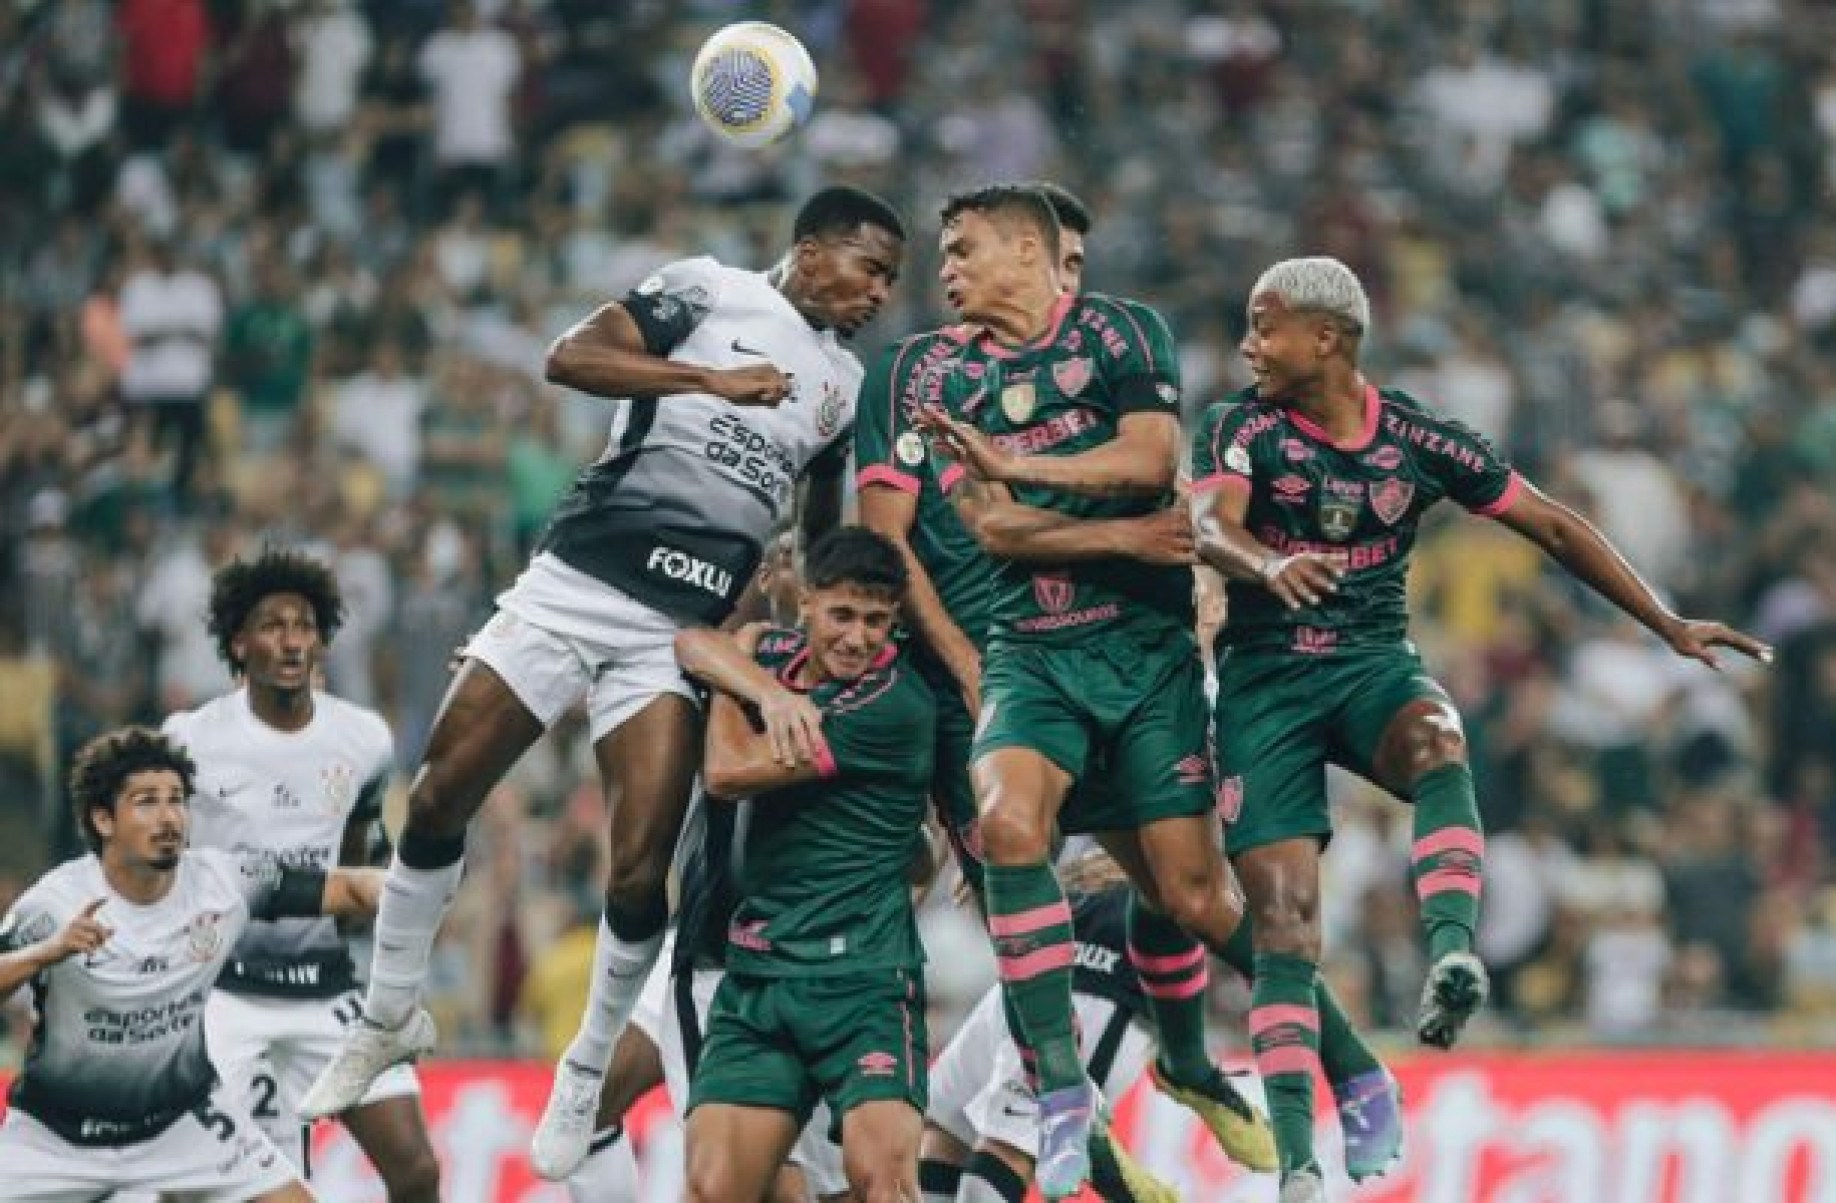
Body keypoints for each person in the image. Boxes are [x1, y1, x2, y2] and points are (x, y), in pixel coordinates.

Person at [299, 187, 907, 1184]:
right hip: (577, 583)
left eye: (891, 277)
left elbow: (817, 533)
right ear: (810, 250)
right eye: (871, 267)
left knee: (638, 871)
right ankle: (387, 1013)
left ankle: (586, 1070)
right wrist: (709, 380)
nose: (883, 292)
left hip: (677, 633)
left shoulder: (841, 386)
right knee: (442, 792)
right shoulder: (704, 290)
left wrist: (792, 602)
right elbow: (570, 357)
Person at [1187, 255, 1775, 1199]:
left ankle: (1454, 947)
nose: (1248, 345)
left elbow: (1549, 523)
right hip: (1264, 688)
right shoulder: (1240, 427)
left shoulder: (1419, 439)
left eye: (1265, 326)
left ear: (1327, 338)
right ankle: (1298, 1163)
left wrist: (1663, 621)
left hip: (1370, 665)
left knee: (1439, 742)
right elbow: (1209, 526)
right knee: (1286, 923)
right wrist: (1262, 567)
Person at [861, 183, 1357, 1189]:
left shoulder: (1116, 362)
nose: (1075, 290)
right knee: (1034, 889)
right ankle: (1082, 1126)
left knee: (1161, 892)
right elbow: (889, 544)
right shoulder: (923, 373)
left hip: (1113, 672)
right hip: (992, 674)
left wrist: (1203, 588)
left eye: (1083, 272)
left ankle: (1169, 1077)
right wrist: (962, 667)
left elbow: (1181, 518)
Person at [0, 726, 384, 1202]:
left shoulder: (225, 883)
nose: (169, 817)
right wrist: (47, 952)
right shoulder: (55, 903)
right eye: (146, 801)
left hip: (180, 1126)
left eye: (177, 799)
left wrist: (395, 888)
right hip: (56, 1138)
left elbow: (348, 887)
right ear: (103, 819)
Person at [163, 549, 440, 1199]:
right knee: (194, 1181)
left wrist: (385, 890)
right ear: (239, 641)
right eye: (272, 625)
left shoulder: (363, 737)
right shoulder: (189, 740)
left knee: (418, 1168)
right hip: (225, 995)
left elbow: (363, 850)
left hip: (328, 991)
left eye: (305, 624)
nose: (292, 640)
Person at [673, 527, 936, 1203]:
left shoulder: (892, 705)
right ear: (807, 602)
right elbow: (692, 642)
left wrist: (743, 687)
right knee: (711, 1189)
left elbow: (728, 771)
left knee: (882, 1183)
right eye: (842, 615)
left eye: (876, 620)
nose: (857, 637)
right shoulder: (781, 661)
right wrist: (764, 680)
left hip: (863, 983)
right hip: (760, 975)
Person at [919, 851, 1177, 1203]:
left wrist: (1146, 858)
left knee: (997, 1164)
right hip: (1032, 957)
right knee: (945, 1128)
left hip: (1106, 975)